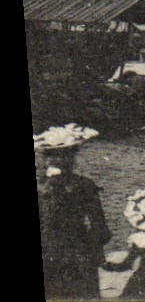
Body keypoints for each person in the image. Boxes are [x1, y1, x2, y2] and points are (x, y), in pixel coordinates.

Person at [35, 123, 110, 301]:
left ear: (46, 159)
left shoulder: (41, 186)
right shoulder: (85, 185)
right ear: (72, 158)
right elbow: (100, 229)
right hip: (78, 253)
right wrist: (95, 252)